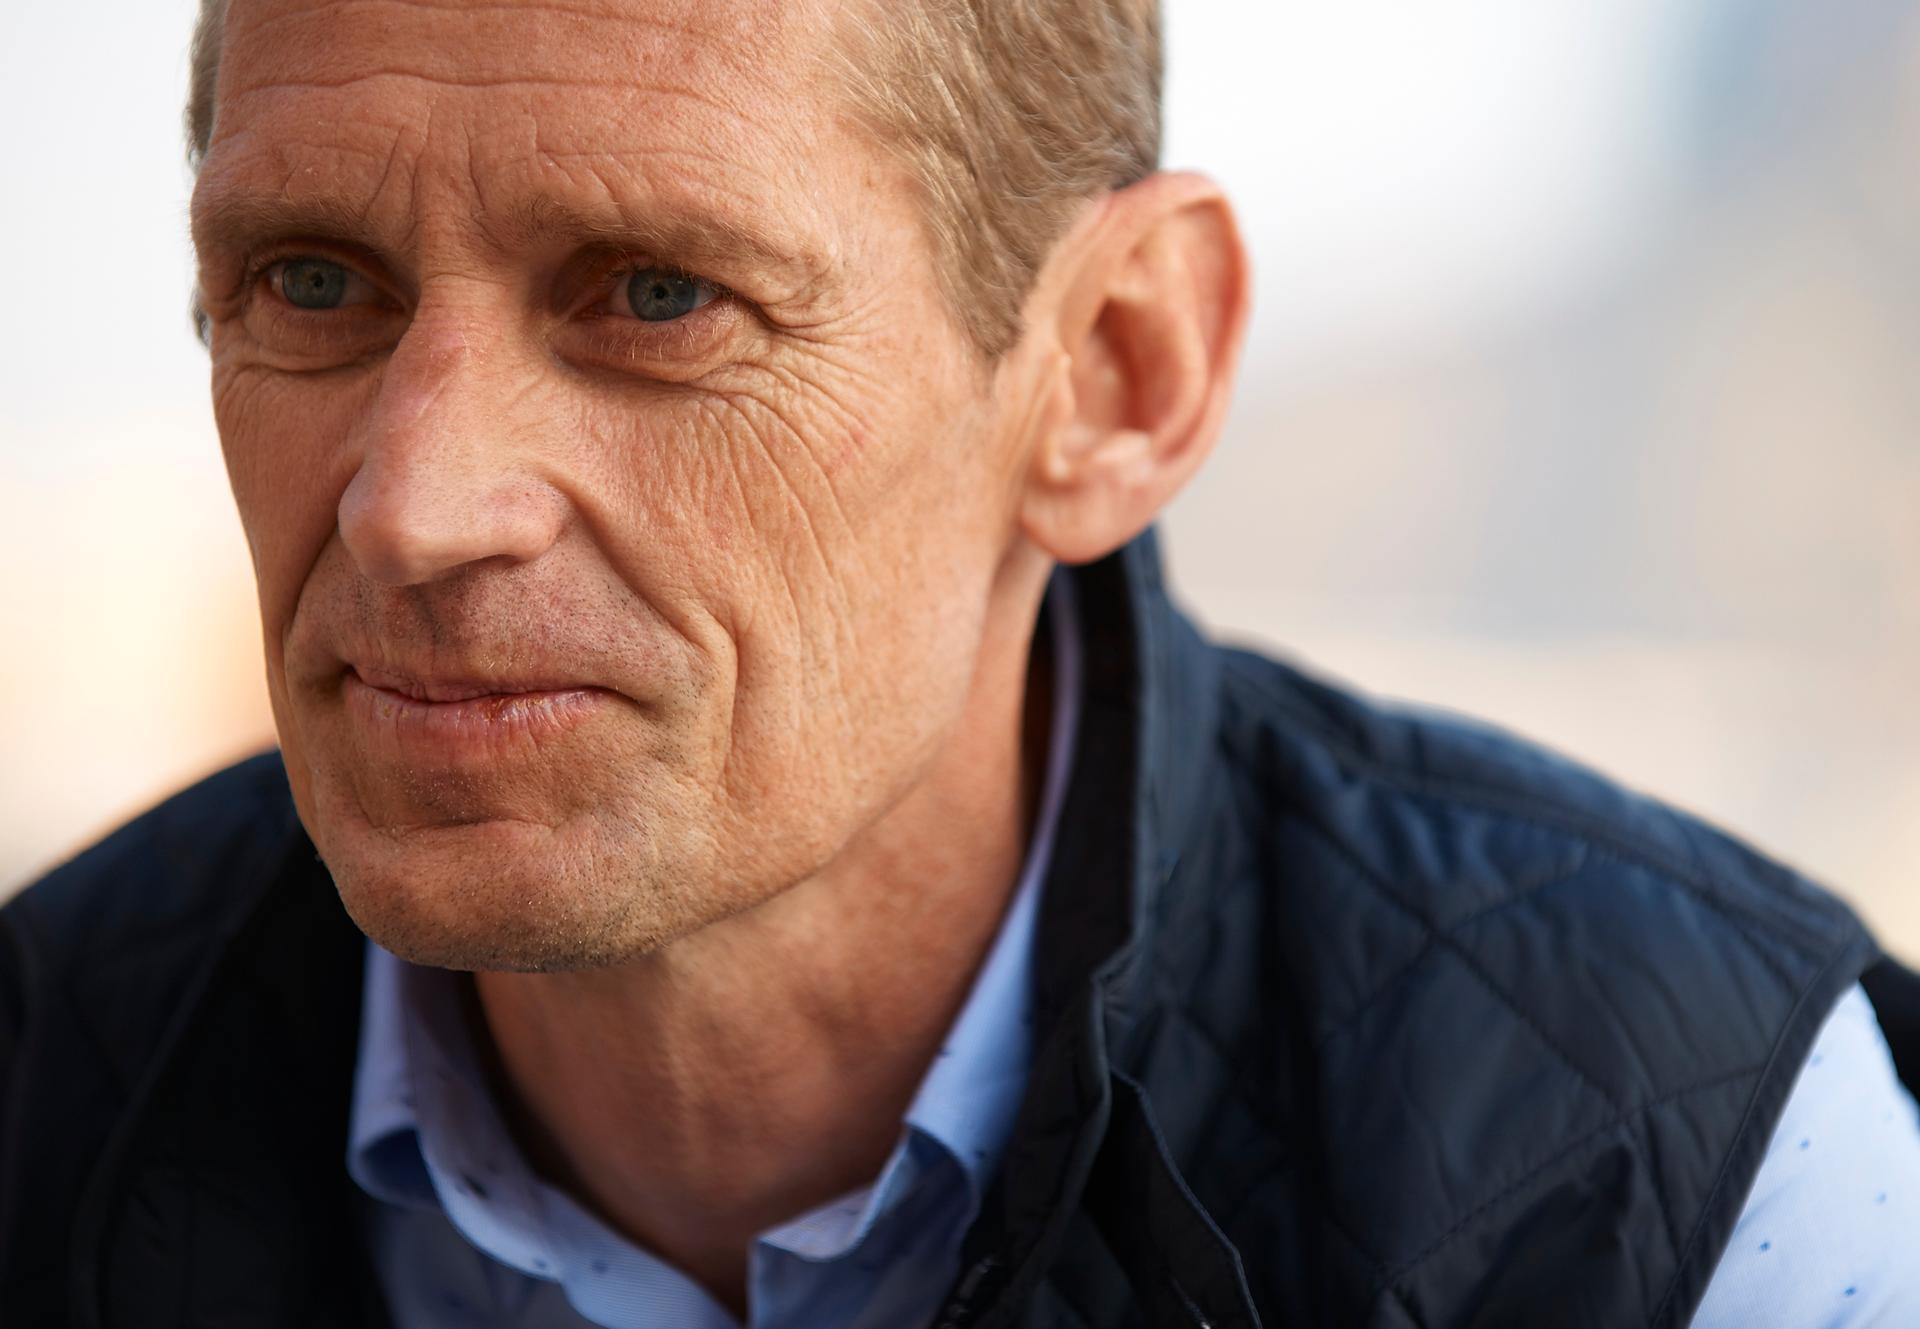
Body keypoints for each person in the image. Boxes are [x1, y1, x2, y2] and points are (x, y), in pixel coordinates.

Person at [4, 0, 1918, 1324]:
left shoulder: (1694, 1172)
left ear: (1115, 376)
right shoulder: (43, 1084)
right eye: (313, 282)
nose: (416, 504)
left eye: (661, 296)